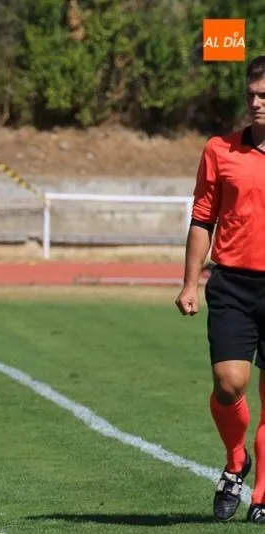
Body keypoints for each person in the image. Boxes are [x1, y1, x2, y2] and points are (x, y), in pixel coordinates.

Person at [176, 55, 265, 524]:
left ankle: (262, 493)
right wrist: (190, 283)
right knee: (230, 384)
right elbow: (201, 218)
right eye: (251, 94)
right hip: (232, 282)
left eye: (264, 95)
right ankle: (236, 461)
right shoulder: (219, 150)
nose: (255, 103)